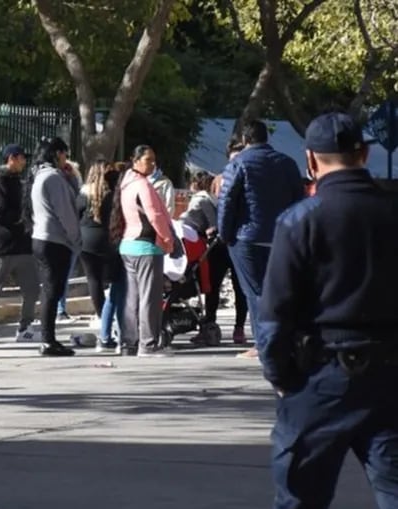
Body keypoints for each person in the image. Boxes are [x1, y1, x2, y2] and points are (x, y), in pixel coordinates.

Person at [229, 112, 398, 509]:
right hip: (390, 374)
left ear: (310, 161)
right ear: (364, 155)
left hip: (324, 374)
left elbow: (276, 311)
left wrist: (281, 376)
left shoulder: (301, 219)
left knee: (301, 484)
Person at [217, 121, 304, 359]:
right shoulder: (287, 163)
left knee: (254, 291)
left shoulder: (238, 163)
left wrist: (224, 234)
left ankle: (263, 344)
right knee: (278, 289)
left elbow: (227, 201)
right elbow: (300, 199)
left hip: (247, 237)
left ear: (245, 140)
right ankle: (285, 339)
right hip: (281, 236)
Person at [111, 145, 175, 357]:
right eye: (148, 160)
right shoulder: (142, 185)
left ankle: (129, 343)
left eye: (153, 160)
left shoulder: (125, 184)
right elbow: (155, 215)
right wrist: (167, 239)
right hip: (146, 246)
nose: (152, 164)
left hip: (128, 245)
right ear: (135, 160)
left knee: (131, 298)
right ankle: (148, 344)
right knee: (150, 298)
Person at [0, 144, 38, 344]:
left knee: (32, 289)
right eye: (21, 158)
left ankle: (25, 327)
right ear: (11, 158)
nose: (24, 162)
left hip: (23, 246)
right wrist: (23, 218)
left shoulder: (18, 182)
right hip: (3, 247)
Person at [27, 137, 81, 356]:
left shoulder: (40, 176)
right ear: (57, 153)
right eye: (65, 154)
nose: (66, 159)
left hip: (43, 237)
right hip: (54, 240)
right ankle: (48, 340)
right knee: (52, 290)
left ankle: (50, 338)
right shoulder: (53, 178)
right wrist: (76, 238)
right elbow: (66, 212)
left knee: (53, 290)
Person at [182, 171, 248, 347]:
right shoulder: (212, 201)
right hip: (219, 247)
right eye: (218, 188)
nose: (221, 191)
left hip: (232, 244)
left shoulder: (239, 201)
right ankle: (210, 325)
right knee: (212, 287)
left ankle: (239, 327)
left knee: (238, 287)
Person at [78, 161, 124, 353]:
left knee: (93, 280)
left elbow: (76, 213)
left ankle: (101, 315)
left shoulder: (83, 192)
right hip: (106, 239)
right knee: (116, 282)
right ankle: (112, 325)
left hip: (85, 239)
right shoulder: (111, 193)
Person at [55, 160, 83, 321]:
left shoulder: (65, 185)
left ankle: (59, 309)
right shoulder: (67, 186)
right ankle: (59, 309)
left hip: (65, 236)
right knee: (62, 275)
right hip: (66, 237)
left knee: (61, 275)